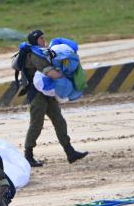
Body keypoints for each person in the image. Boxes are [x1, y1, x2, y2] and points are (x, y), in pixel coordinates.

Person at [21, 29, 88, 167]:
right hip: (37, 96)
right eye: (41, 38)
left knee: (59, 121)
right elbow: (49, 72)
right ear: (35, 40)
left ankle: (70, 152)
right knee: (36, 124)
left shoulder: (43, 52)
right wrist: (66, 77)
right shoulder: (34, 54)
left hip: (48, 93)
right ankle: (28, 155)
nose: (44, 40)